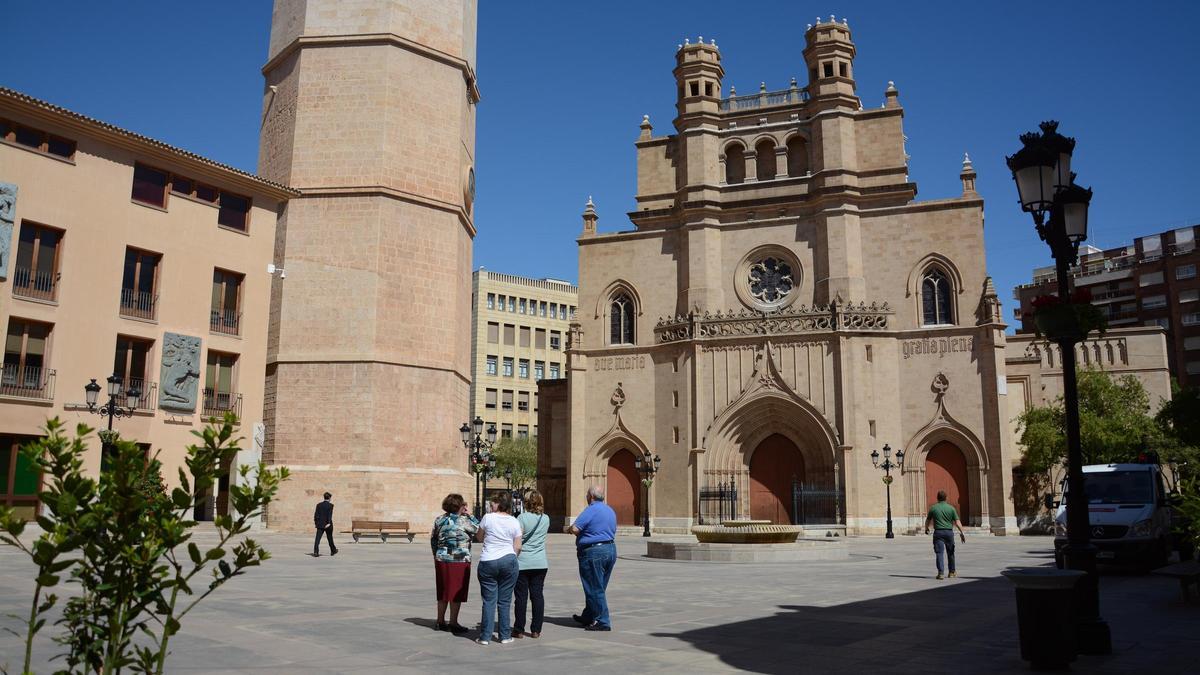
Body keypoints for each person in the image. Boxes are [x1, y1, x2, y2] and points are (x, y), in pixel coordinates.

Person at [475, 491, 522, 645]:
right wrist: (511, 557)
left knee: (489, 600)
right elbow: (518, 546)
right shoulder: (515, 521)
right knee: (505, 601)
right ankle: (504, 635)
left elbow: (479, 537)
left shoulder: (487, 518)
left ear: (500, 503)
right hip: (508, 560)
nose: (491, 505)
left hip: (488, 560)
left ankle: (485, 636)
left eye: (493, 502)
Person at [569, 485, 616, 632]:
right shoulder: (610, 510)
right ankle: (588, 616)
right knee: (598, 586)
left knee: (594, 588)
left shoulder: (591, 509)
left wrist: (568, 529)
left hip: (593, 552)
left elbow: (576, 528)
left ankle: (603, 621)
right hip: (610, 549)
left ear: (591, 496)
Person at [430, 493, 479, 633]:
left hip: (442, 559)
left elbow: (433, 540)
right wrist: (470, 514)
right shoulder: (464, 521)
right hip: (459, 560)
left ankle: (440, 621)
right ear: (460, 506)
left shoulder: (439, 519)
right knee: (457, 592)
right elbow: (480, 528)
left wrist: (436, 554)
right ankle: (453, 622)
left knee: (443, 590)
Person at [512, 490, 549, 638]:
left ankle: (519, 629)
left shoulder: (521, 517)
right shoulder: (546, 518)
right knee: (537, 596)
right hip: (540, 562)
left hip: (523, 562)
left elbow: (518, 540)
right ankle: (536, 629)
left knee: (521, 597)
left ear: (526, 502)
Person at [924, 490, 967, 580]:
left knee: (939, 553)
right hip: (949, 533)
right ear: (946, 498)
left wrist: (926, 528)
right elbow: (957, 521)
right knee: (950, 552)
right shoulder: (951, 508)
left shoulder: (933, 508)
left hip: (938, 533)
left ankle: (941, 573)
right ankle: (951, 572)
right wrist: (962, 532)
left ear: (937, 498)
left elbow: (928, 520)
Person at [312, 492, 338, 557]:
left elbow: (316, 515)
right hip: (328, 524)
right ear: (329, 498)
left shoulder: (318, 505)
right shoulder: (331, 505)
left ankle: (316, 552)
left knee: (317, 539)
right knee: (330, 538)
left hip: (320, 524)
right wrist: (329, 523)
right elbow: (329, 515)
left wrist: (316, 523)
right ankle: (333, 550)